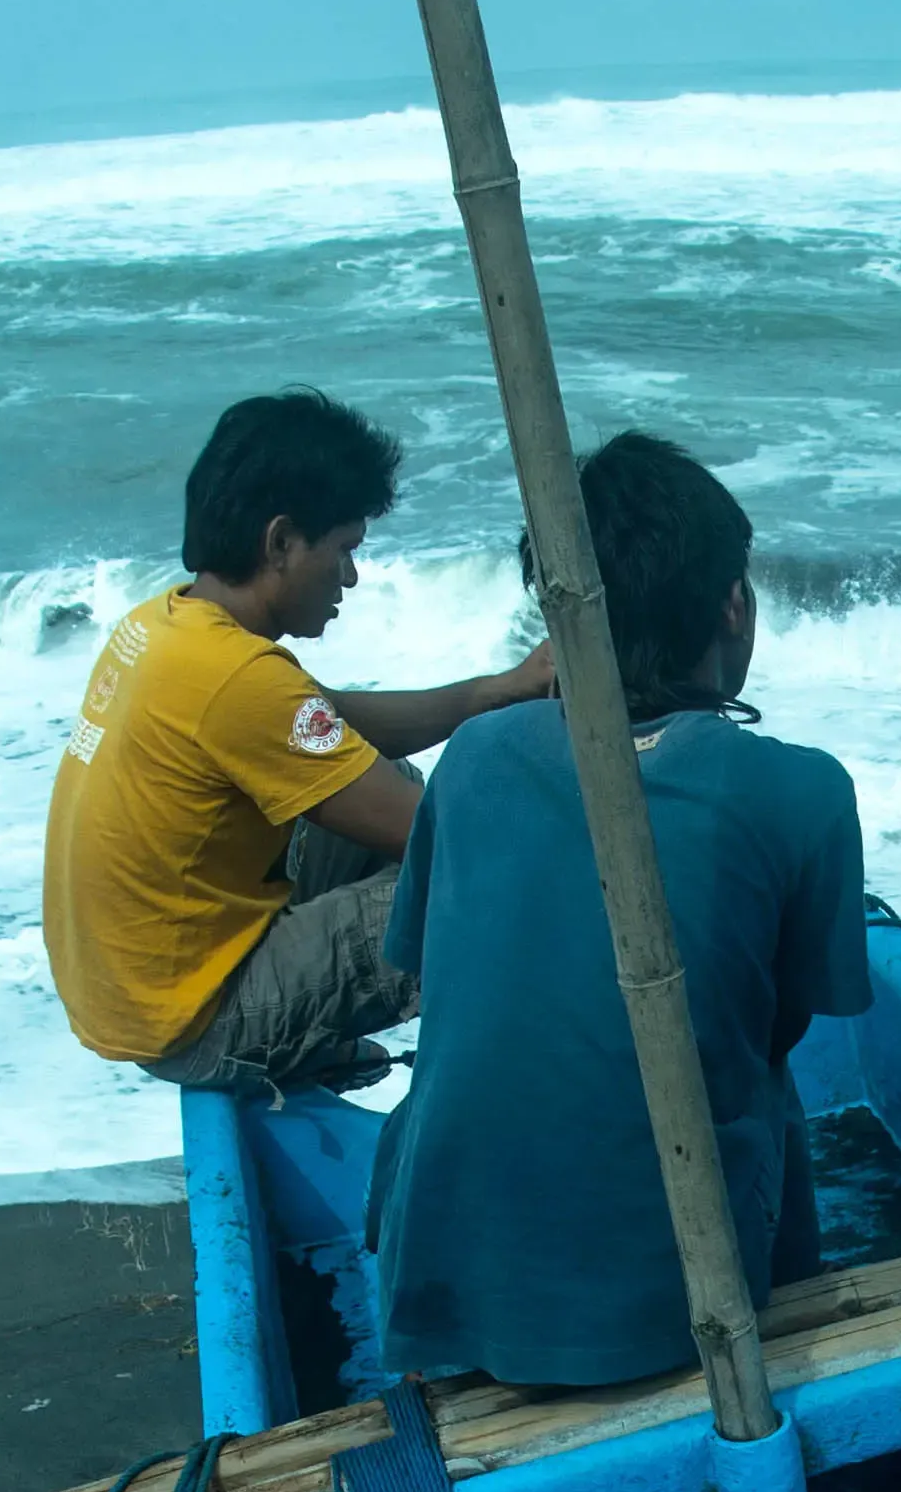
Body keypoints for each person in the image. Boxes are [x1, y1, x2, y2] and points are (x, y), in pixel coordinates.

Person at [365, 434, 871, 1388]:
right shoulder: (799, 790)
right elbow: (783, 1027)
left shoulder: (472, 758)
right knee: (770, 1092)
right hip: (663, 1315)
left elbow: (435, 977)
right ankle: (788, 1319)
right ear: (733, 607)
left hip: (438, 1284)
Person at [43, 389, 553, 1097]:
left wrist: (494, 692)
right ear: (280, 542)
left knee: (391, 773)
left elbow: (324, 719)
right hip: (197, 1025)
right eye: (343, 550)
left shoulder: (169, 626)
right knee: (486, 877)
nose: (349, 576)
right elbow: (448, 837)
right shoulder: (238, 679)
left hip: (137, 991)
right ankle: (500, 1093)